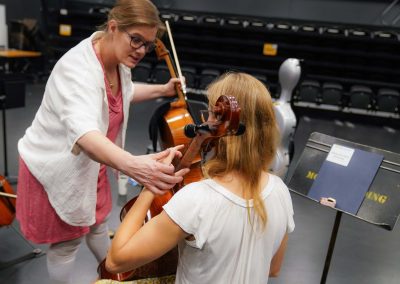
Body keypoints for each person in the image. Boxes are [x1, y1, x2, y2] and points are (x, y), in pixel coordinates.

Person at [15, 0, 188, 283]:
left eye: (147, 44)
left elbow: (123, 94)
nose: (142, 50)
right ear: (112, 27)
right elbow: (85, 135)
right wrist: (134, 166)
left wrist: (162, 89)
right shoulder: (77, 69)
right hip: (58, 167)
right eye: (136, 40)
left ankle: (116, 275)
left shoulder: (118, 62)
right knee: (66, 245)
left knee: (97, 227)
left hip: (92, 165)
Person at [105, 72, 295, 283]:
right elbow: (273, 268)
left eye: (213, 113)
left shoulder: (196, 199)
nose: (205, 120)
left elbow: (115, 261)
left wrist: (151, 184)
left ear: (219, 125)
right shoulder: (280, 191)